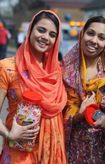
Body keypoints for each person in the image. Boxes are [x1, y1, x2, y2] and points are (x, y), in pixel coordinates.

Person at [0, 10, 67, 163]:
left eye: (52, 34)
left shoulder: (57, 71)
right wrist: (9, 134)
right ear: (30, 30)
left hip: (50, 154)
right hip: (18, 154)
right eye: (41, 30)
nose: (45, 37)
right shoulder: (8, 67)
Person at [62, 16, 105, 163]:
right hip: (77, 148)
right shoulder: (66, 67)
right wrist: (80, 114)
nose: (94, 40)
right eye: (90, 33)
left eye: (101, 37)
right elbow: (58, 112)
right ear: (82, 34)